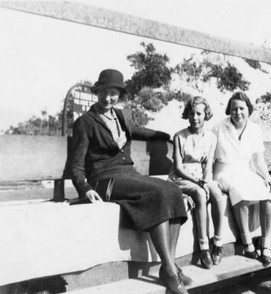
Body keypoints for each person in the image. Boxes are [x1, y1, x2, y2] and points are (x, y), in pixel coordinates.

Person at [69, 69, 190, 294]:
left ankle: (169, 266)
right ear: (97, 92)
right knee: (156, 192)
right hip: (104, 180)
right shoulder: (85, 123)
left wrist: (165, 135)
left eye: (113, 93)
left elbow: (137, 130)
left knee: (172, 190)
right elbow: (76, 163)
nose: (108, 98)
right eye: (104, 93)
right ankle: (171, 272)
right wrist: (84, 188)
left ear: (119, 95)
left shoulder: (121, 116)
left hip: (129, 175)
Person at [212, 91, 271, 266]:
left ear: (248, 110)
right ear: (229, 110)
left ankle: (266, 244)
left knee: (268, 194)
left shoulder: (255, 129)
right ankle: (247, 242)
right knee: (239, 191)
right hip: (224, 172)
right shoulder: (218, 128)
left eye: (241, 108)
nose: (237, 113)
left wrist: (267, 178)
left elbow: (258, 160)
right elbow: (208, 154)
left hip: (246, 171)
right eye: (234, 109)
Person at [168, 96, 226, 269]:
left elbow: (209, 165)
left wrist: (206, 181)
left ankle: (218, 241)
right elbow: (178, 167)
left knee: (216, 193)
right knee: (200, 194)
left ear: (205, 114)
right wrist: (198, 183)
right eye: (192, 113)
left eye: (199, 113)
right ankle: (204, 247)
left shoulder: (211, 137)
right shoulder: (180, 136)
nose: (195, 117)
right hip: (182, 178)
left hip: (202, 177)